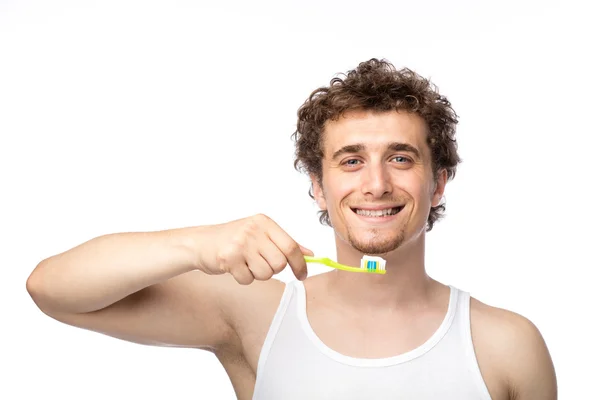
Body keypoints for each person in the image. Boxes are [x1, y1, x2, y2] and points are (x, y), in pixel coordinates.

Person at [26, 58, 557, 400]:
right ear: (318, 186)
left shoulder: (505, 345)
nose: (375, 183)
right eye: (350, 161)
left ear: (438, 182)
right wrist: (196, 245)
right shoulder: (256, 316)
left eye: (400, 158)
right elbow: (52, 290)